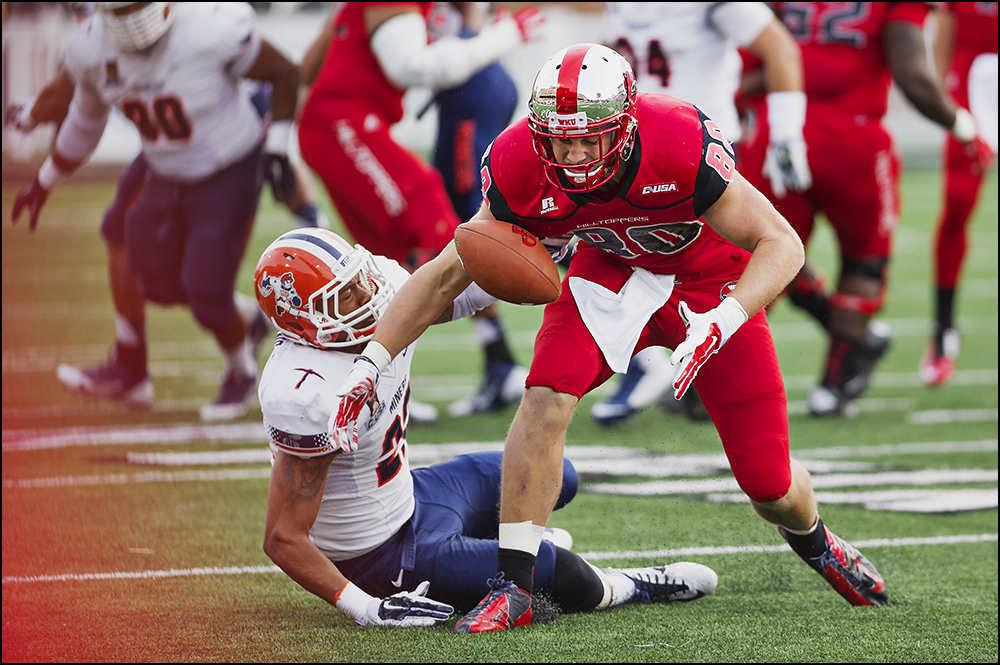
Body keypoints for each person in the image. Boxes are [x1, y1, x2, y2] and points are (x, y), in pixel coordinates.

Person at [331, 44, 890, 634]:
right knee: (545, 396)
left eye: (586, 138)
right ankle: (514, 586)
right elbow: (445, 274)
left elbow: (784, 243)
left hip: (712, 282)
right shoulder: (520, 160)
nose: (570, 155)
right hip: (611, 274)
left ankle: (818, 541)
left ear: (622, 128)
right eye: (557, 139)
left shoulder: (676, 140)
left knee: (769, 483)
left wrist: (724, 319)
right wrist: (372, 360)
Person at [254, 226, 718, 627]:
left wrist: (530, 256)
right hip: (378, 557)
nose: (366, 296)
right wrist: (365, 607)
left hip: (414, 496)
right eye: (343, 297)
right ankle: (632, 585)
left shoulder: (382, 293)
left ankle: (488, 547)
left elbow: (454, 295)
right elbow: (283, 536)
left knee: (555, 477)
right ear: (301, 321)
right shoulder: (305, 392)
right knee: (553, 569)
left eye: (359, 280)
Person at [10, 1, 300, 421]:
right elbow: (85, 121)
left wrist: (277, 151)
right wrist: (45, 178)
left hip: (226, 165)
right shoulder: (92, 47)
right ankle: (239, 322)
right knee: (153, 279)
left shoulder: (208, 27)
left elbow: (285, 71)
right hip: (163, 166)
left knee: (205, 294)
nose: (131, 19)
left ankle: (240, 371)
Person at [295, 1, 544, 420]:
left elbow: (308, 67)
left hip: (340, 125)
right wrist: (504, 37)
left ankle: (358, 384)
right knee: (436, 221)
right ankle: (381, 381)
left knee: (381, 265)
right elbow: (409, 66)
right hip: (345, 124)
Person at [737, 2, 985, 416]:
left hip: (778, 134)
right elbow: (913, 78)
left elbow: (745, 67)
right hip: (853, 139)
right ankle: (836, 380)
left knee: (757, 253)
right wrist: (962, 125)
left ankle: (713, 377)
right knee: (863, 265)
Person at [590, 1, 810, 426]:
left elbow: (781, 49)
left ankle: (692, 372)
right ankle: (647, 366)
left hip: (701, 156)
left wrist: (786, 132)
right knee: (620, 249)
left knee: (720, 264)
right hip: (635, 153)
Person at [920, 2, 998, 386]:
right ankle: (943, 328)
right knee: (958, 206)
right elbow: (941, 47)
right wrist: (945, 105)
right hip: (973, 85)